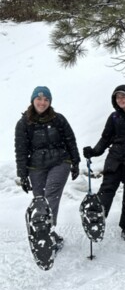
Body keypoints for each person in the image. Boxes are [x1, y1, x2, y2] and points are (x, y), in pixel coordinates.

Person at [15, 86, 80, 251]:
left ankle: (44, 232)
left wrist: (75, 162)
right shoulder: (24, 123)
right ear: (33, 100)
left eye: (46, 100)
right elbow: (21, 151)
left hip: (60, 161)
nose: (42, 102)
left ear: (50, 102)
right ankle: (50, 234)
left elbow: (70, 140)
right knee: (40, 201)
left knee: (51, 193)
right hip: (36, 166)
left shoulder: (58, 119)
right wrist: (23, 175)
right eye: (39, 99)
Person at [83, 85, 125, 242]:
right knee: (107, 189)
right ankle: (97, 219)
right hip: (115, 158)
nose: (120, 99)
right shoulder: (114, 117)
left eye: (123, 96)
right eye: (117, 97)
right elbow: (106, 139)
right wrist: (94, 151)